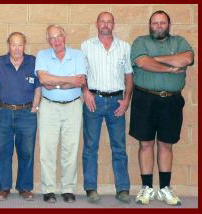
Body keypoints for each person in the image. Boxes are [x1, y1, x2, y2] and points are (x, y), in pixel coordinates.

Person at [130, 10, 194, 206]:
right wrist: (169, 66)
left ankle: (165, 188)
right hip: (145, 99)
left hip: (171, 101)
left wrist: (155, 59)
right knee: (145, 144)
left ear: (169, 24)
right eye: (155, 23)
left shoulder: (180, 41)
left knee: (167, 144)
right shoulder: (140, 41)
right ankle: (147, 188)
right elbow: (141, 62)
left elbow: (187, 59)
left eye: (162, 23)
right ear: (150, 25)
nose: (158, 26)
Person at [80, 12, 133, 204]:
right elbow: (81, 73)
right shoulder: (86, 46)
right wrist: (85, 91)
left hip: (116, 102)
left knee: (119, 147)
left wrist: (126, 99)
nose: (105, 25)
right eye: (102, 21)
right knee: (90, 147)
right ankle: (91, 188)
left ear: (113, 24)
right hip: (93, 100)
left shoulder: (125, 47)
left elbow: (129, 76)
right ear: (96, 24)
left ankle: (123, 189)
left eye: (109, 22)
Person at [36, 24, 86, 203]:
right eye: (52, 37)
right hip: (49, 106)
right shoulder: (42, 55)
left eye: (59, 36)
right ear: (47, 40)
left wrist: (55, 82)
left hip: (73, 106)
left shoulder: (78, 55)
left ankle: (68, 189)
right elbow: (43, 79)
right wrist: (68, 80)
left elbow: (80, 81)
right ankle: (48, 189)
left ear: (65, 37)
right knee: (47, 149)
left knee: (70, 149)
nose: (56, 41)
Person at [0, 32, 41, 201]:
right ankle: (4, 187)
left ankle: (24, 187)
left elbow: (38, 87)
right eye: (14, 44)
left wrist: (34, 107)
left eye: (20, 44)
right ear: (8, 45)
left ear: (24, 45)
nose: (17, 48)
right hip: (4, 112)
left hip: (27, 113)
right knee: (2, 151)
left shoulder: (32, 62)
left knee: (26, 151)